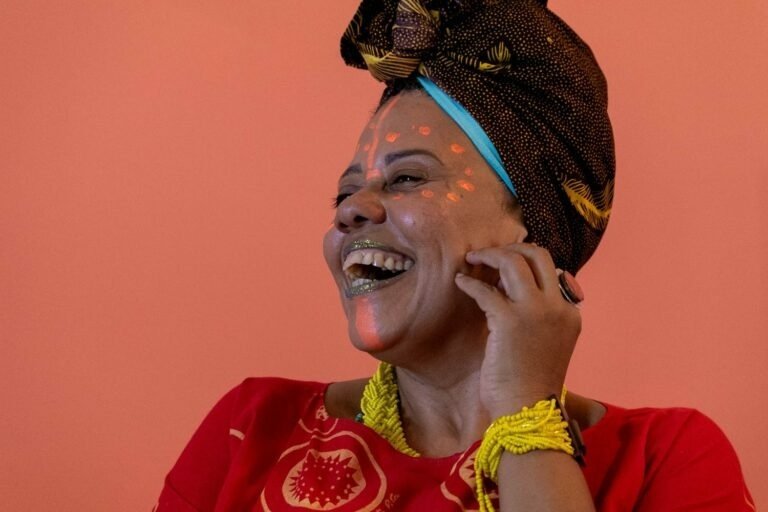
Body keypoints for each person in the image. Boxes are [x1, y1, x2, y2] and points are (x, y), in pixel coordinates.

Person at [156, 1, 754, 510]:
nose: (351, 210)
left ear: (532, 228)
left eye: (407, 178)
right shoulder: (249, 430)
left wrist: (527, 412)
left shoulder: (665, 460)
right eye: (343, 193)